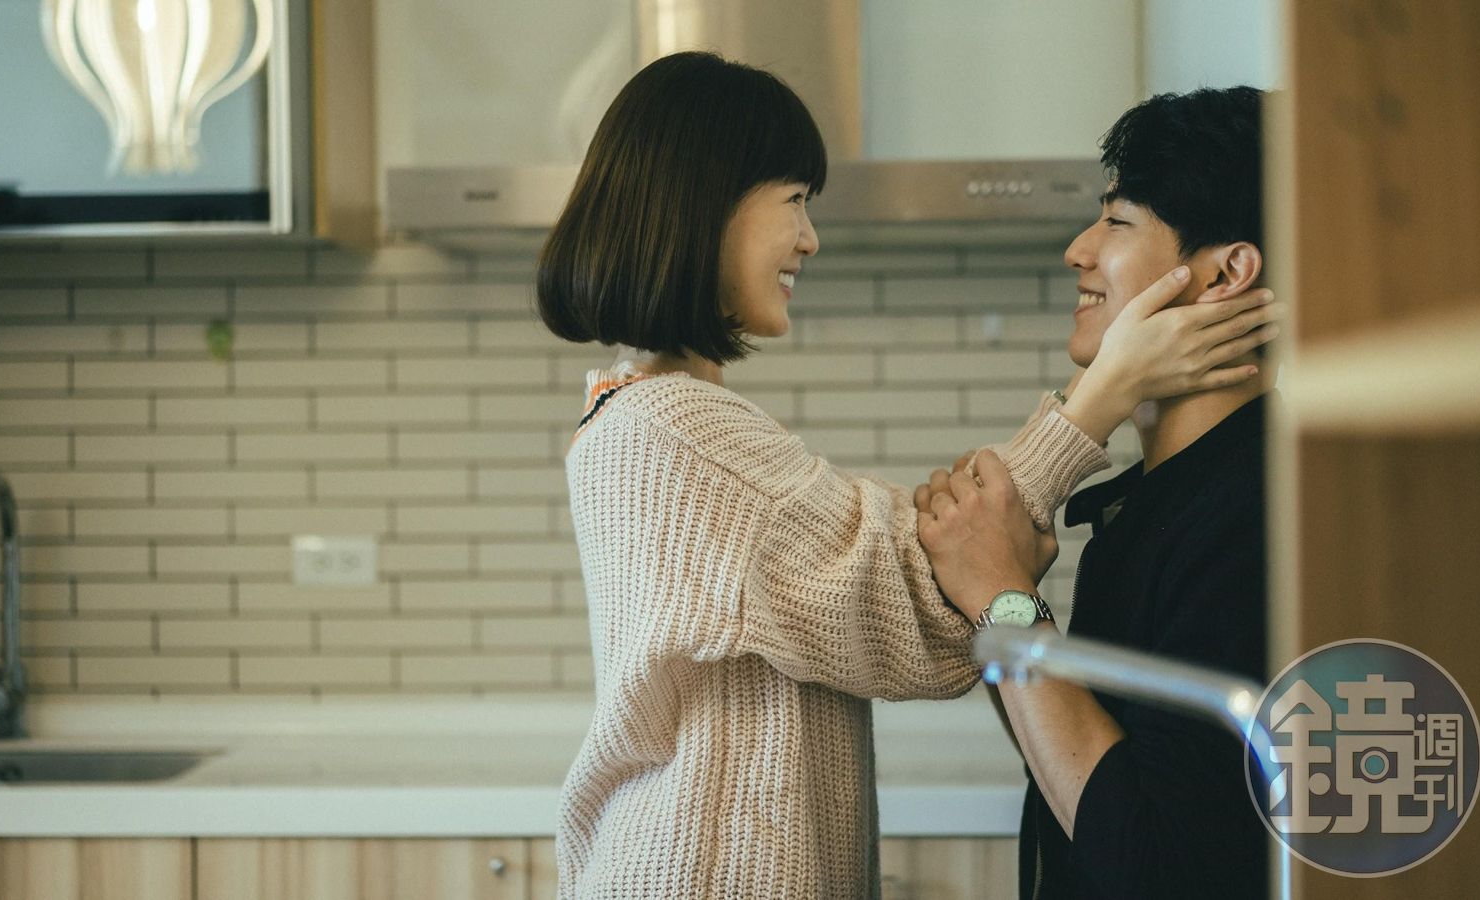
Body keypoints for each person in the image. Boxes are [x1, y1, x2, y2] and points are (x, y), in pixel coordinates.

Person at [540, 54, 1278, 898]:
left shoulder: (674, 423)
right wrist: (1095, 405)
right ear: (706, 204)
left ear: (1228, 273)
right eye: (794, 200)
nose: (811, 237)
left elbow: (940, 583)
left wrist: (993, 574)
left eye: (1114, 221)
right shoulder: (671, 431)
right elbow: (920, 586)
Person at [917, 86, 1275, 899]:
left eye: (1117, 221)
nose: (1077, 250)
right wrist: (1004, 604)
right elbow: (1081, 769)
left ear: (1226, 272)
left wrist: (1006, 600)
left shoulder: (1251, 513)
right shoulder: (1157, 498)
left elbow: (1153, 864)